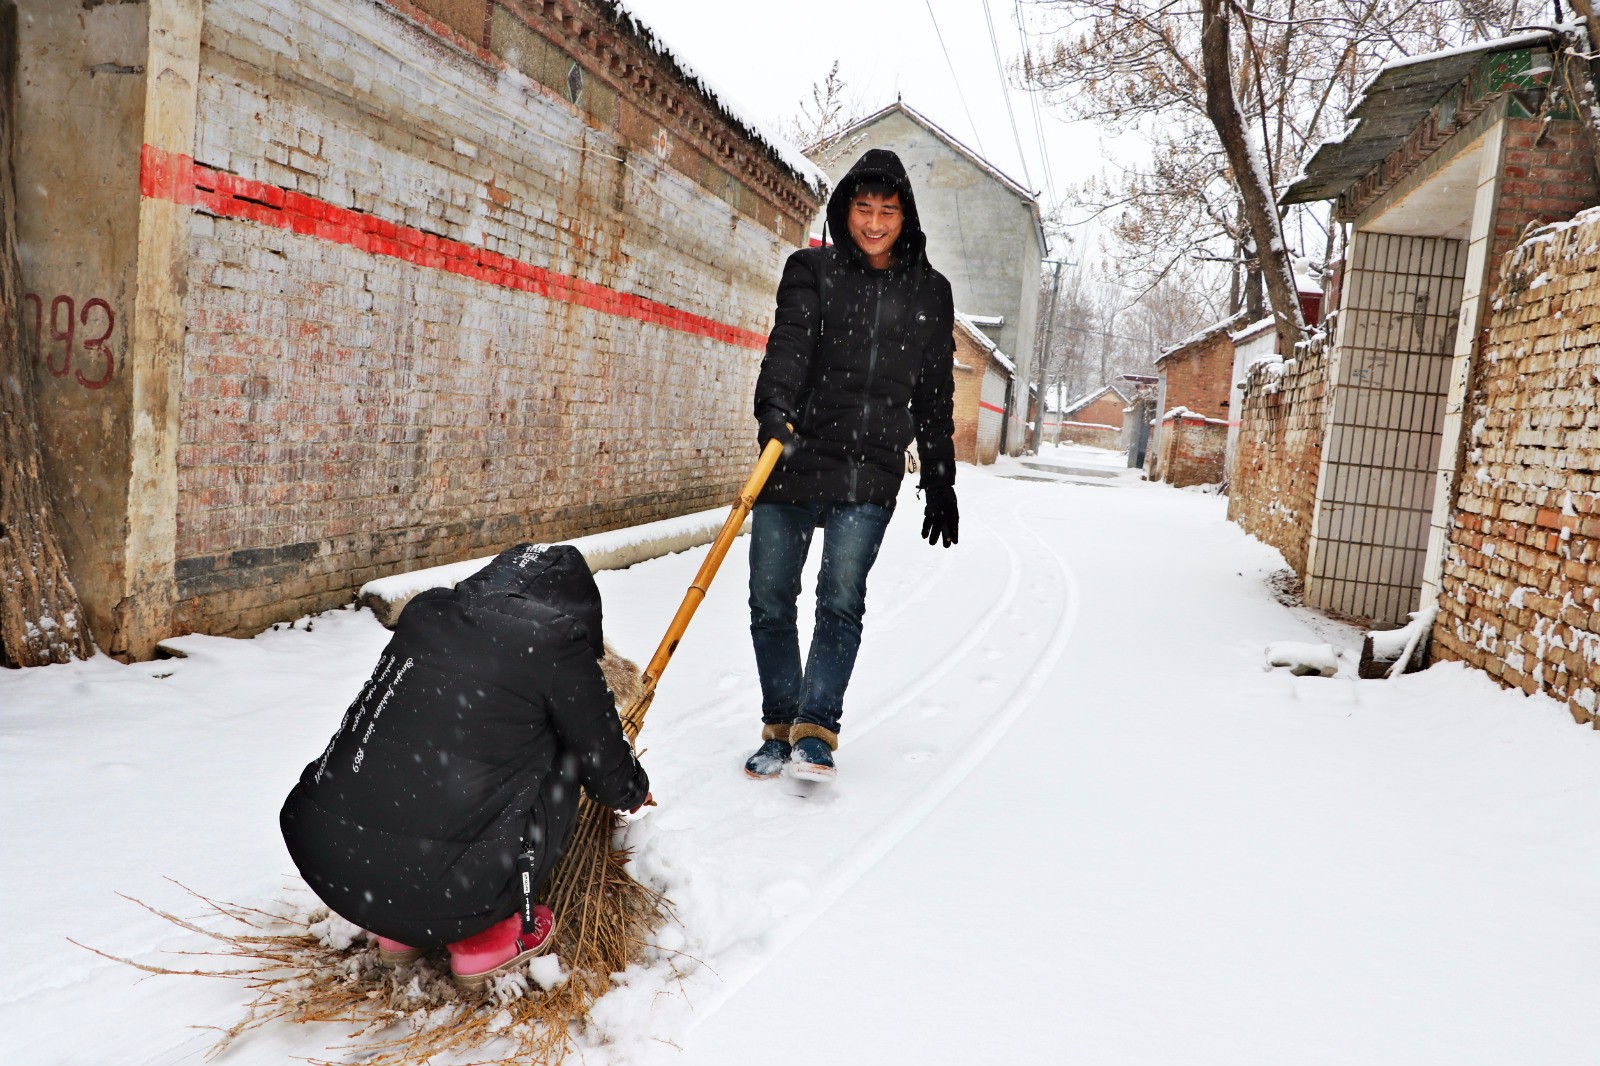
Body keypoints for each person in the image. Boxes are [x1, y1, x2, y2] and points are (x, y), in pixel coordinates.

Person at [280, 543, 650, 991]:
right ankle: (488, 936)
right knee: (561, 747)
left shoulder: (428, 613)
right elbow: (602, 765)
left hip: (337, 862)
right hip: (461, 891)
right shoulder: (556, 642)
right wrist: (632, 791)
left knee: (418, 738)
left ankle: (400, 925)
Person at [744, 147, 958, 784]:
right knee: (769, 596)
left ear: (905, 216)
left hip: (870, 467)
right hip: (797, 455)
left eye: (886, 211)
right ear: (845, 209)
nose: (872, 222)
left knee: (840, 596)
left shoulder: (929, 292)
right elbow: (788, 345)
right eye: (862, 208)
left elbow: (935, 394)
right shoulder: (811, 270)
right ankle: (780, 724)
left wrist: (940, 479)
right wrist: (773, 409)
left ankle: (817, 730)